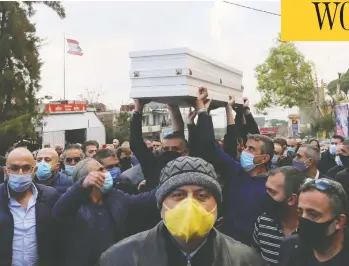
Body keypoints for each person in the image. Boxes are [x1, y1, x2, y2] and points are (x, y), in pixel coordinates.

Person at [99, 156, 265, 266]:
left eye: (201, 196)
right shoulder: (119, 258)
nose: (189, 205)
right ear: (161, 204)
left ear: (216, 205)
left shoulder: (246, 260)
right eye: (178, 195)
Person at [196, 87, 274, 245]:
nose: (244, 151)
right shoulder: (236, 171)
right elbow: (210, 146)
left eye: (251, 149)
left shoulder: (274, 184)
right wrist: (203, 113)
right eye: (246, 147)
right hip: (228, 246)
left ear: (264, 158)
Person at [52, 158, 159, 266]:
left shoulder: (115, 196)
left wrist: (170, 183)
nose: (107, 173)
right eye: (101, 169)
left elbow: (147, 199)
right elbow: (59, 211)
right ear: (87, 178)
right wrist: (81, 186)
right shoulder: (73, 203)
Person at [0, 148, 60, 266]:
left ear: (34, 170)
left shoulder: (50, 196)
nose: (20, 173)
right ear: (5, 171)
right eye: (14, 168)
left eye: (26, 168)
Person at [279, 178, 349, 266]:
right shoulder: (290, 247)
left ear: (339, 221)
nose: (303, 219)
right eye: (300, 212)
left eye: (313, 214)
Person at [253, 166, 306, 264]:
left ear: (291, 199)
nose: (266, 195)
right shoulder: (263, 222)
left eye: (272, 192)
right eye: (266, 189)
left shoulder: (310, 231)